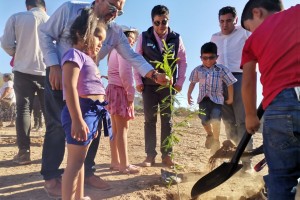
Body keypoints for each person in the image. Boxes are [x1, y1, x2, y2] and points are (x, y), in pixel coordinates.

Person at [38, 0, 171, 197]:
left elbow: (132, 57)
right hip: (60, 75)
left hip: (88, 91)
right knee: (58, 126)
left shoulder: (114, 31)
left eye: (119, 11)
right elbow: (45, 33)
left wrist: (153, 74)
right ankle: (51, 178)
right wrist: (54, 65)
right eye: (112, 7)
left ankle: (88, 173)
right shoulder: (70, 10)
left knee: (92, 133)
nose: (115, 13)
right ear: (98, 1)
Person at [240, 1, 300, 199]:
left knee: (281, 177)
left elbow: (248, 81)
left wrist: (250, 115)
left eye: (249, 28)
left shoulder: (251, 42)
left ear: (257, 12)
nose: (251, 33)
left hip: (280, 108)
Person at [60, 8, 107, 200]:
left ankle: (78, 197)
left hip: (91, 114)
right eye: (98, 37)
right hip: (81, 110)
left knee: (81, 161)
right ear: (82, 33)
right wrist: (78, 119)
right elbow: (69, 87)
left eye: (102, 41)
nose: (100, 44)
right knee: (74, 164)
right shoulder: (74, 55)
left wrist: (92, 122)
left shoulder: (89, 60)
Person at [134, 5, 187, 167]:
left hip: (168, 87)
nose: (160, 26)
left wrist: (179, 82)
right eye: (157, 23)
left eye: (163, 22)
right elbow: (137, 59)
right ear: (152, 21)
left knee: (167, 120)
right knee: (150, 120)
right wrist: (138, 81)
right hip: (149, 86)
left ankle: (167, 155)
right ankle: (150, 156)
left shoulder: (176, 38)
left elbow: (183, 61)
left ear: (168, 20)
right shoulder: (144, 36)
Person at [1, 0, 48, 165]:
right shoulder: (51, 19)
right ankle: (51, 153)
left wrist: (18, 52)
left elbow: (6, 43)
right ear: (44, 6)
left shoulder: (16, 17)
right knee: (49, 111)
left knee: (23, 110)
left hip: (22, 71)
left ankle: (24, 153)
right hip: (46, 71)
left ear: (27, 6)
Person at [210, 6, 253, 171]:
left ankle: (247, 164)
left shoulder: (244, 32)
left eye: (228, 21)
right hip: (220, 81)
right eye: (221, 21)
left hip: (240, 78)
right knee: (228, 122)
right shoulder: (214, 37)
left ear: (235, 20)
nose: (225, 24)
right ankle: (234, 162)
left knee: (243, 121)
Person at [187, 42, 236, 154]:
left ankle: (216, 140)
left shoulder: (221, 69)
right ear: (201, 58)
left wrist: (231, 98)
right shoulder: (198, 70)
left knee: (216, 118)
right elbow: (193, 83)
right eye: (205, 58)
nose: (208, 61)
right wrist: (189, 94)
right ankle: (209, 134)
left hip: (217, 100)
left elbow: (230, 83)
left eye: (211, 58)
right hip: (203, 100)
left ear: (216, 57)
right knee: (204, 119)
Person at [107, 25, 141, 174]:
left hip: (112, 89)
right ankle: (124, 165)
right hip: (120, 90)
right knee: (122, 129)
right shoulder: (123, 51)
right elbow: (125, 73)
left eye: (133, 40)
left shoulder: (113, 50)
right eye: (129, 38)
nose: (131, 42)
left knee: (115, 129)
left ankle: (115, 161)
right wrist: (130, 94)